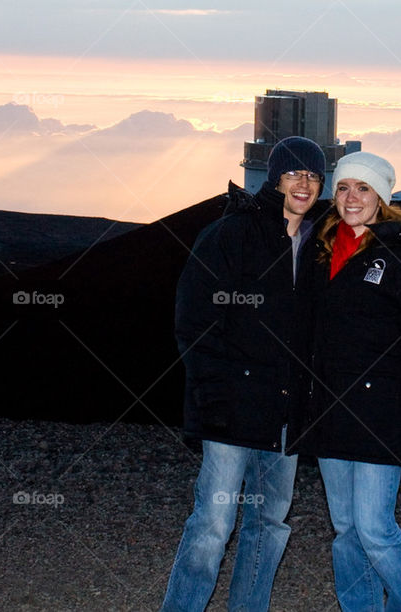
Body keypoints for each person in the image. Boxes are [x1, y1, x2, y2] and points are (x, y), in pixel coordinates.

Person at [161, 136, 326, 612]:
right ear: (274, 177)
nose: (304, 183)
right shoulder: (231, 233)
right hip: (231, 407)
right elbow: (194, 320)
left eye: (313, 176)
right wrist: (211, 395)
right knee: (214, 523)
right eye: (294, 173)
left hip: (285, 411)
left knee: (270, 523)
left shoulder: (316, 244)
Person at [308, 151, 401, 611]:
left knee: (374, 528)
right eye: (343, 187)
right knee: (347, 530)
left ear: (382, 196)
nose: (351, 198)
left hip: (382, 414)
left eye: (364, 188)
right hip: (330, 414)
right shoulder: (318, 248)